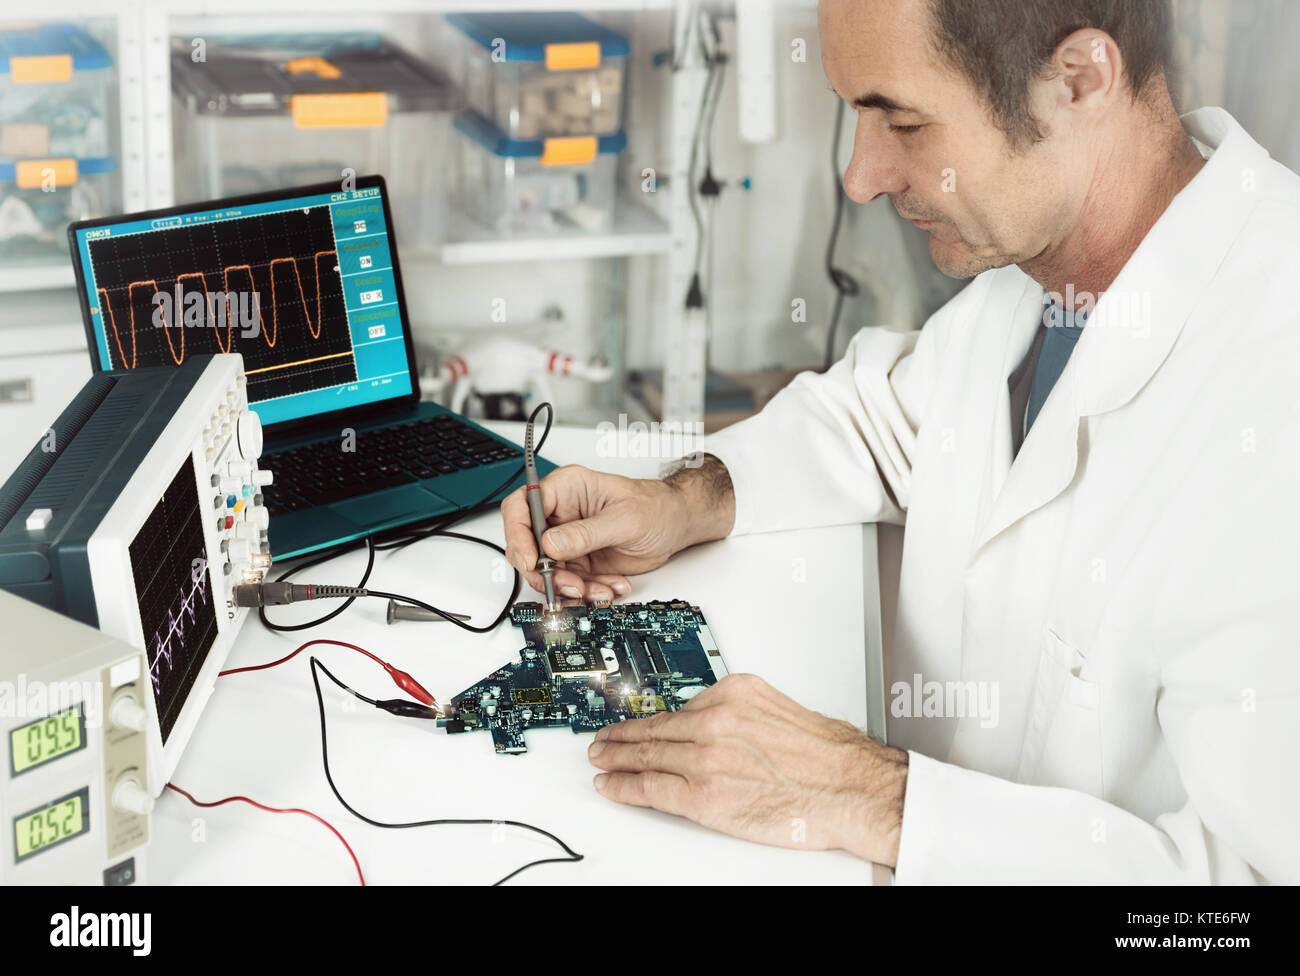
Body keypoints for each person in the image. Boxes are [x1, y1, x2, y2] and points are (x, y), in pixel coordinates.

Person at [501, 0, 1300, 883]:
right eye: (854, 113)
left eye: (903, 121)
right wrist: (685, 497)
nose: (860, 176)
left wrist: (873, 797)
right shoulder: (1047, 266)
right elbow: (885, 416)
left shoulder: (1271, 404)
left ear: (1078, 81)